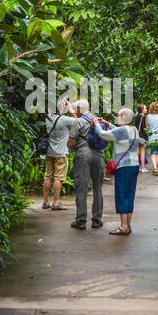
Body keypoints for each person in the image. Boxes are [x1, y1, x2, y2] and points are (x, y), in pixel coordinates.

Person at [93, 108, 141, 235]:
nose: (118, 118)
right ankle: (128, 225)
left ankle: (124, 226)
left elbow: (103, 134)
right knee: (129, 195)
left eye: (120, 116)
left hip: (123, 167)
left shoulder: (122, 130)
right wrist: (108, 123)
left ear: (124, 118)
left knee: (121, 195)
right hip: (134, 166)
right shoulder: (134, 130)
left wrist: (97, 124)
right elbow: (118, 132)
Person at [69, 98, 105, 230]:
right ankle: (97, 219)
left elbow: (71, 142)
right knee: (97, 188)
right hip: (98, 155)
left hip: (82, 156)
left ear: (79, 110)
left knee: (81, 187)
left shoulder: (78, 122)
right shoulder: (97, 120)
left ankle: (81, 220)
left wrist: (73, 147)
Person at [41, 98, 82, 211]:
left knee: (48, 176)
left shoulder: (48, 118)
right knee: (58, 178)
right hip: (61, 153)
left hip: (49, 152)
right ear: (61, 108)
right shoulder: (64, 120)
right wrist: (70, 109)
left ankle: (45, 202)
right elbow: (79, 122)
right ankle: (56, 202)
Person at [145, 101, 158, 176]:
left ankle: (154, 167)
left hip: (151, 137)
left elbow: (147, 128)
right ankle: (156, 167)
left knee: (153, 153)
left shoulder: (148, 116)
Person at [135, 103, 150, 174]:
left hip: (137, 135)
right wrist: (147, 138)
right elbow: (144, 128)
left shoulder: (136, 116)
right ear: (142, 110)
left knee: (137, 151)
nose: (146, 109)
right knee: (143, 151)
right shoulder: (144, 117)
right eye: (145, 108)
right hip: (142, 136)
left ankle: (135, 167)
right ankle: (142, 167)